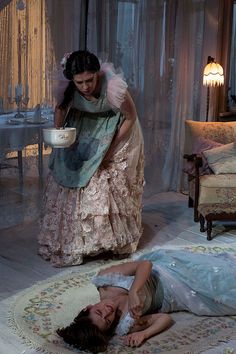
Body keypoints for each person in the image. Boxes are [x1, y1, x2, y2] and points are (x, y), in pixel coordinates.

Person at [38, 50, 144, 267]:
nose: (85, 87)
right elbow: (60, 107)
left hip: (114, 127)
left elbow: (130, 117)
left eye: (90, 80)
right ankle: (75, 240)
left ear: (98, 74)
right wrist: (59, 131)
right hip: (83, 124)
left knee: (102, 175)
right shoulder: (68, 87)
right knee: (69, 169)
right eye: (80, 82)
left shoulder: (113, 87)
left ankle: (108, 239)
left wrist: (111, 147)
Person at [57, 248, 236, 353]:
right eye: (108, 320)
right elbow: (165, 318)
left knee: (216, 273)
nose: (108, 311)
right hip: (177, 296)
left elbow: (145, 264)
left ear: (88, 307)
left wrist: (134, 291)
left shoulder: (105, 280)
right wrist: (144, 334)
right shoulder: (126, 323)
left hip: (165, 271)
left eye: (99, 312)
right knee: (223, 296)